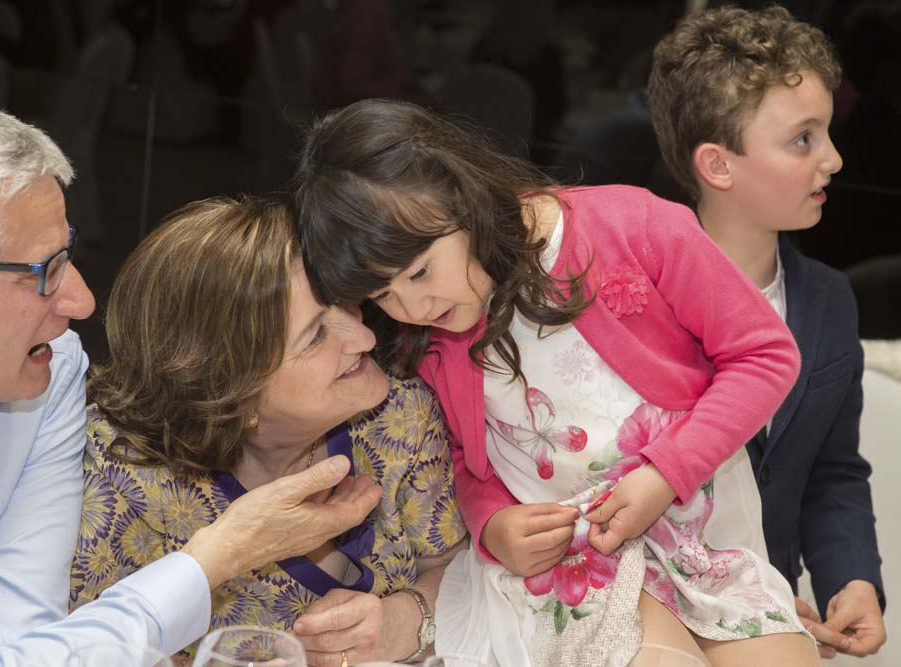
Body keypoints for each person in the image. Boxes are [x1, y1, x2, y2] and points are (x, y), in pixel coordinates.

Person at [292, 98, 819, 666]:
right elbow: (468, 459)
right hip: (573, 566)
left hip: (700, 538)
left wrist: (667, 473)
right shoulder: (429, 338)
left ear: (462, 198)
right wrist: (493, 525)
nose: (413, 307)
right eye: (382, 295)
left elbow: (764, 355)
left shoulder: (631, 226)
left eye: (420, 272)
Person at [0, 96, 380, 665]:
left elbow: (18, 641)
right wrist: (221, 553)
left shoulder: (49, 376)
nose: (82, 301)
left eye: (67, 254)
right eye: (43, 272)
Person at [71, 196, 466, 666]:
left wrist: (406, 619)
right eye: (315, 335)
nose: (366, 337)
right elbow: (79, 649)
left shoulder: (397, 419)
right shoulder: (121, 478)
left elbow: (457, 567)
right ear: (230, 393)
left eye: (345, 302)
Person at [646, 4, 886, 659]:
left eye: (828, 132)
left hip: (782, 610)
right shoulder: (642, 303)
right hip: (656, 613)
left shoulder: (830, 300)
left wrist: (852, 579)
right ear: (718, 166)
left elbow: (832, 471)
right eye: (803, 139)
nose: (834, 158)